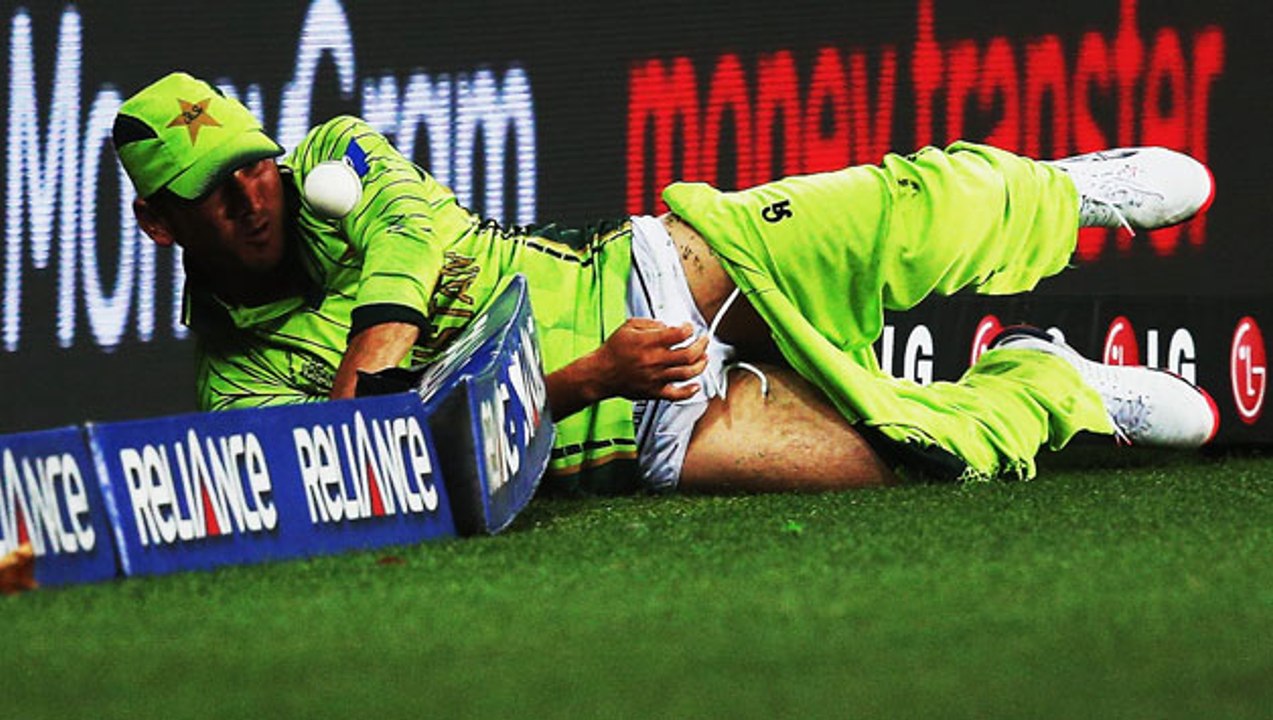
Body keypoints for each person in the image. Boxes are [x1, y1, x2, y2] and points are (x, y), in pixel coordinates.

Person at [111, 71, 1218, 495]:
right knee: (912, 458)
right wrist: (586, 381)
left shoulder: (335, 159)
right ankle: (1053, 387)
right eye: (216, 190)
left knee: (892, 213)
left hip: (649, 267)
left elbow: (400, 256)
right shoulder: (234, 396)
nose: (255, 193)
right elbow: (397, 479)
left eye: (254, 160)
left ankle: (1069, 197)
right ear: (161, 225)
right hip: (629, 426)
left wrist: (376, 382)